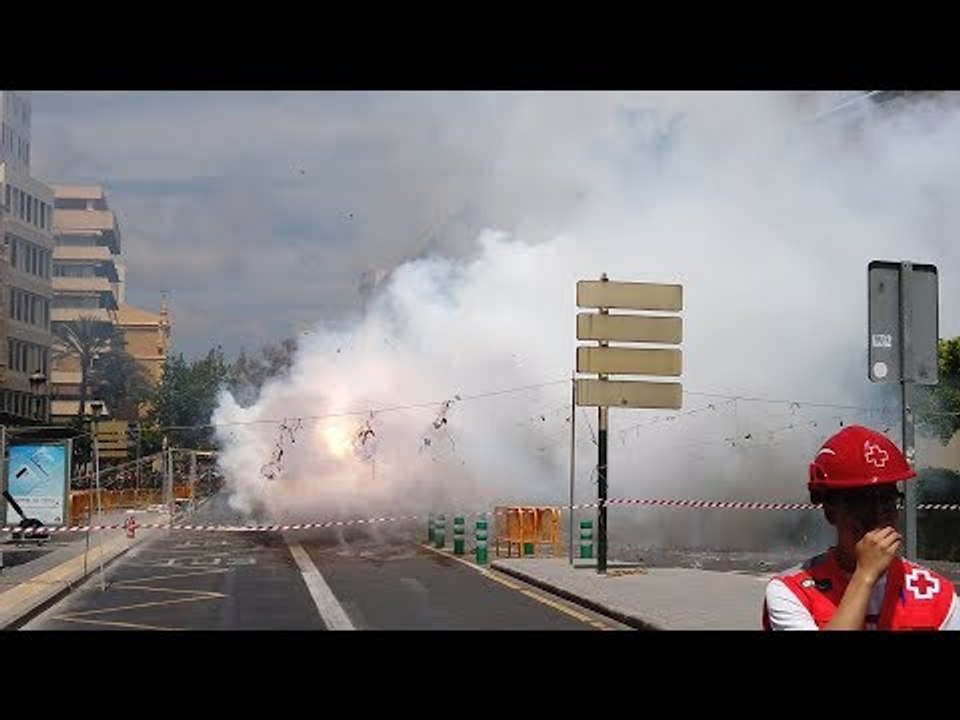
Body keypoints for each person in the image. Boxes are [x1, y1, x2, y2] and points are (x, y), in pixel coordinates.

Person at [763, 424, 960, 630]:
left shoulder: (937, 593)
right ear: (830, 511)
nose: (876, 515)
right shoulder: (792, 592)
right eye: (861, 501)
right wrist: (865, 576)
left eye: (886, 500)